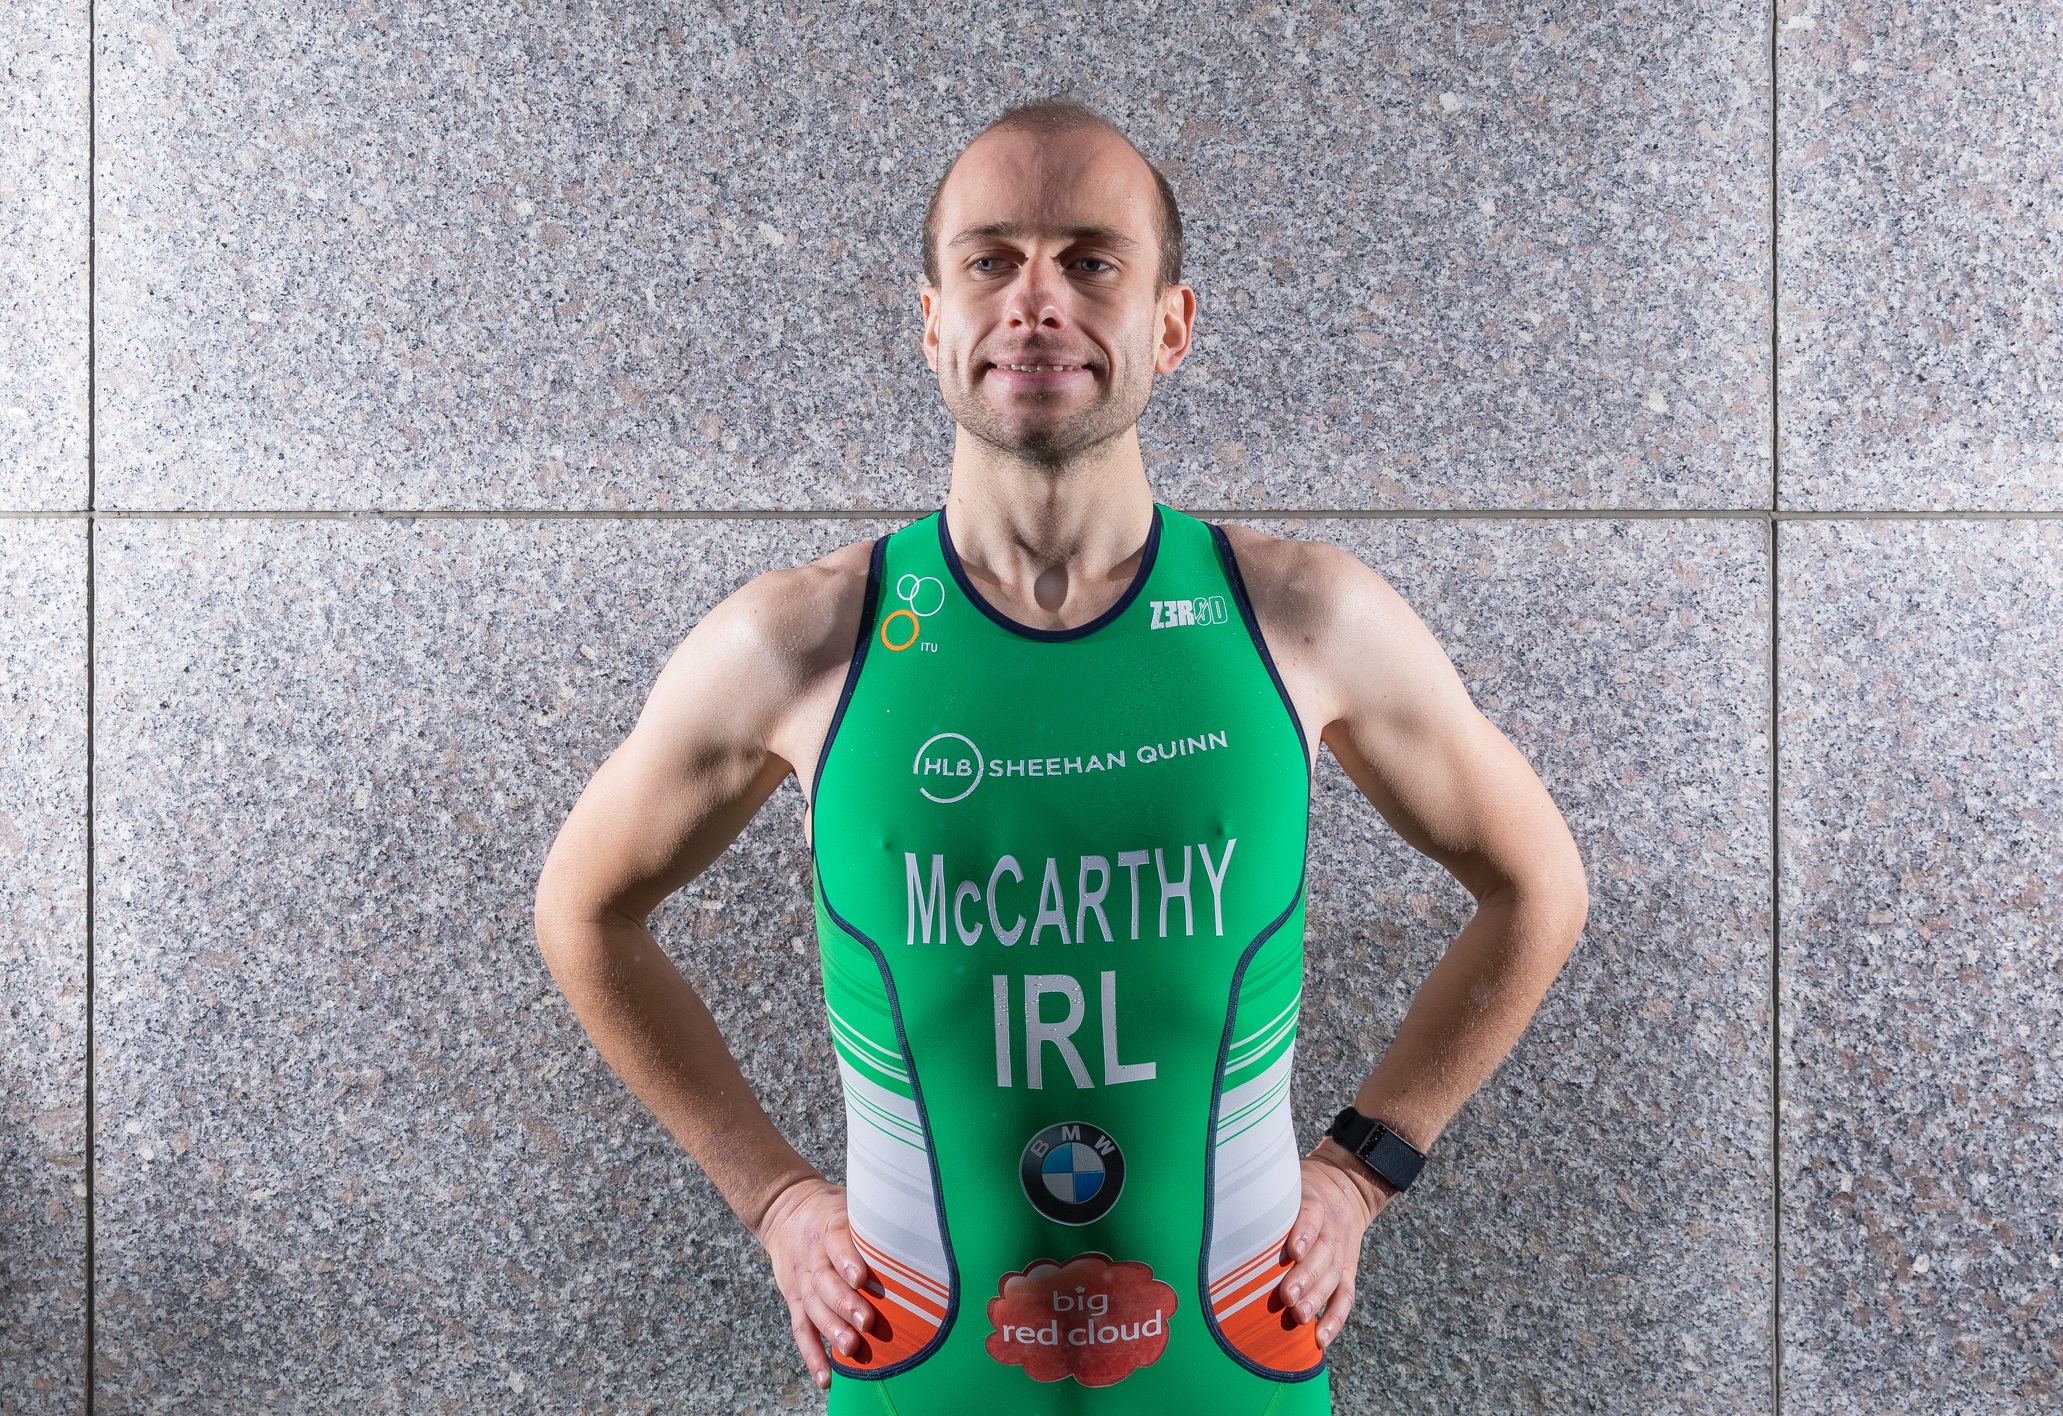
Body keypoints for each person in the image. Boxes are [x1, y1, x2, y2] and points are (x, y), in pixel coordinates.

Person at [534, 100, 1588, 1414]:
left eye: (1092, 259)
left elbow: (1537, 885)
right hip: (922, 1378)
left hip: (1230, 1376)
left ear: (1170, 324)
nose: (1035, 298)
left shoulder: (1305, 619)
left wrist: (1366, 1167)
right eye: (990, 259)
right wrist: (774, 1200)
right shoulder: (803, 641)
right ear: (931, 323)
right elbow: (584, 912)